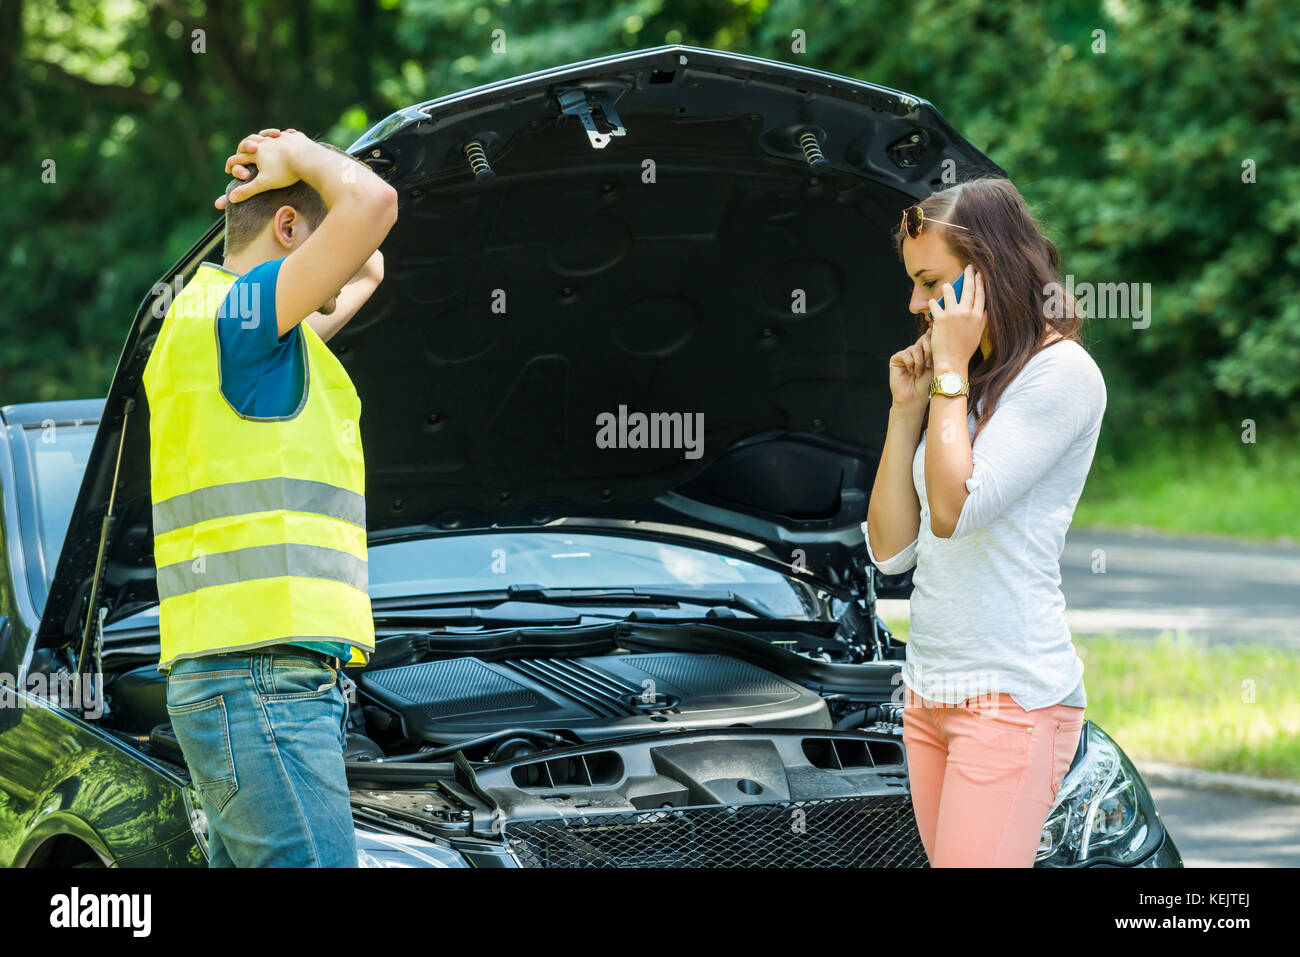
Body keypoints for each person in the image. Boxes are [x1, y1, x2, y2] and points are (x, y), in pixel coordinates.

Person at [143, 127, 398, 866]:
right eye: (310, 239)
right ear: (286, 228)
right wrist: (302, 152)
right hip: (261, 686)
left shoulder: (225, 324)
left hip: (240, 682)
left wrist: (293, 173)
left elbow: (367, 263)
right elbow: (374, 206)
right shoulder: (242, 317)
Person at [863, 175, 1105, 867]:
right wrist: (906, 408)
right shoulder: (963, 382)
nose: (914, 302)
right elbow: (890, 550)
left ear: (987, 272)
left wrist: (947, 374)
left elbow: (953, 510)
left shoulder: (1061, 376)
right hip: (929, 693)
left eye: (930, 282)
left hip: (1010, 699)